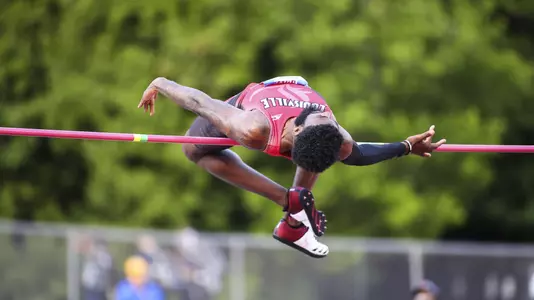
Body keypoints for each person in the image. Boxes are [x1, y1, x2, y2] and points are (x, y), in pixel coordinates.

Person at [137, 75, 446, 258]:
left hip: (298, 89)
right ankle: (289, 201)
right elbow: (200, 101)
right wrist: (160, 84)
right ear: (294, 133)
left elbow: (360, 155)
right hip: (262, 97)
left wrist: (406, 147)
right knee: (195, 151)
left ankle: (292, 223)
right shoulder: (252, 127)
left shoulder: (338, 138)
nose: (328, 118)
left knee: (326, 151)